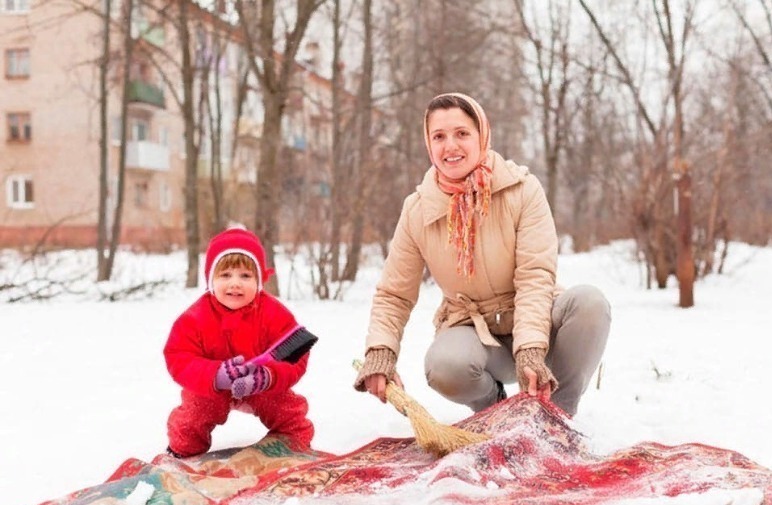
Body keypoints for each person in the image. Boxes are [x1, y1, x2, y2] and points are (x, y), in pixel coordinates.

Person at [354, 93, 611, 417]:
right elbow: (395, 293)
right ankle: (494, 412)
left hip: (534, 322)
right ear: (428, 143)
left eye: (462, 133)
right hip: (477, 334)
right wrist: (381, 352)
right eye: (439, 136)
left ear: (482, 135)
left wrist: (531, 348)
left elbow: (535, 275)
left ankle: (557, 417)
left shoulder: (522, 190)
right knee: (444, 365)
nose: (451, 146)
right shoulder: (419, 209)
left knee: (590, 303)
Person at [163, 227, 314, 457]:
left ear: (259, 280)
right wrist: (215, 376)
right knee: (193, 414)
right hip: (212, 389)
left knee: (286, 408)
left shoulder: (273, 313)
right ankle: (183, 451)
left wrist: (270, 376)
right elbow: (179, 357)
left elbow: (296, 355)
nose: (235, 283)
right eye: (225, 275)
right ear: (211, 279)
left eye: (245, 276)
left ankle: (294, 444)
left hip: (260, 385)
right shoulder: (195, 318)